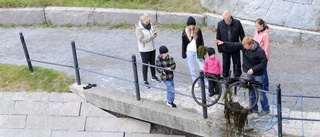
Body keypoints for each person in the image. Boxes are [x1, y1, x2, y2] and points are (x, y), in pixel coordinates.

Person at [215, 36, 270, 116]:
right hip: (248, 72)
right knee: (251, 90)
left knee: (260, 92)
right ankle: (253, 108)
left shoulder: (259, 51)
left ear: (250, 44)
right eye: (243, 45)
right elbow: (234, 45)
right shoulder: (244, 46)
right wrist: (223, 43)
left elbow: (264, 62)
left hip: (257, 74)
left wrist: (253, 69)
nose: (243, 47)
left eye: (245, 46)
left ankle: (266, 109)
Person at [216, 10, 245, 78]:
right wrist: (219, 49)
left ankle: (237, 76)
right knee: (226, 64)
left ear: (230, 16)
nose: (227, 20)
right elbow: (218, 36)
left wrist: (243, 46)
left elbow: (242, 34)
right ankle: (226, 76)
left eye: (228, 18)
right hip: (225, 48)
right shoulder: (220, 24)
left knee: (237, 63)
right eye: (225, 19)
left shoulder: (237, 23)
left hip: (235, 47)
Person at [135, 13, 161, 89]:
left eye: (149, 20)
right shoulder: (138, 29)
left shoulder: (151, 24)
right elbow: (141, 40)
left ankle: (153, 76)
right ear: (142, 21)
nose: (148, 22)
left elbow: (153, 30)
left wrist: (155, 33)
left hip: (152, 47)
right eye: (147, 21)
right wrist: (150, 37)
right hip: (144, 49)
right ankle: (145, 80)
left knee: (153, 63)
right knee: (145, 64)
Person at [182, 16, 206, 85]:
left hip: (197, 51)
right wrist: (184, 53)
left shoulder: (198, 30)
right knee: (191, 67)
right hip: (189, 51)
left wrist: (202, 52)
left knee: (202, 66)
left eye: (192, 25)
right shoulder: (185, 31)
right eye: (190, 25)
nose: (191, 26)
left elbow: (201, 42)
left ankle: (205, 80)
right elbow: (183, 43)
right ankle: (194, 81)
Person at [254, 18, 270, 92]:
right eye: (255, 26)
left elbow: (266, 46)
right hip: (256, 54)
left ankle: (265, 87)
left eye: (257, 26)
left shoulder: (266, 34)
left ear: (262, 25)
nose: (256, 27)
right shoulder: (256, 31)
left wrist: (266, 57)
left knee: (263, 71)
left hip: (262, 55)